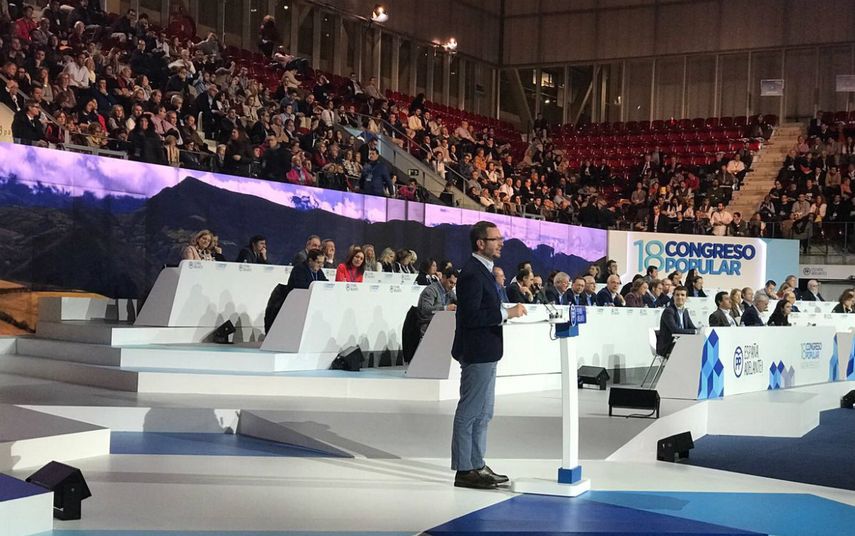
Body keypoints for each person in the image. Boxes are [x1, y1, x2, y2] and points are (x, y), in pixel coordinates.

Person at [451, 221, 527, 489]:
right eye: (496, 239)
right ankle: (464, 469)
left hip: (488, 350)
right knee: (470, 412)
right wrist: (508, 313)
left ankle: (477, 464)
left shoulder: (484, 271)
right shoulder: (472, 273)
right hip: (477, 351)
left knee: (484, 413)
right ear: (480, 243)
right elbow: (470, 316)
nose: (501, 243)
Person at [264, 249, 327, 333]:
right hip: (292, 304)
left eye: (322, 263)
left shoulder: (318, 271)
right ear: (310, 260)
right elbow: (302, 287)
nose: (321, 266)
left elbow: (324, 282)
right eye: (318, 262)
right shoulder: (299, 269)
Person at [656, 286, 697, 357]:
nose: (680, 297)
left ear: (686, 298)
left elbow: (692, 327)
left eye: (682, 295)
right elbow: (675, 330)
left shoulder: (685, 311)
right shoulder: (668, 311)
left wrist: (700, 330)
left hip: (682, 342)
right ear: (673, 296)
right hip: (668, 345)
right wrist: (695, 332)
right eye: (677, 295)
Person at [416, 268, 458, 337]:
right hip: (427, 328)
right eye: (451, 282)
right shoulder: (430, 290)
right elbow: (426, 310)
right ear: (444, 278)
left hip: (442, 327)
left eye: (454, 284)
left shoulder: (450, 292)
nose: (452, 286)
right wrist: (445, 308)